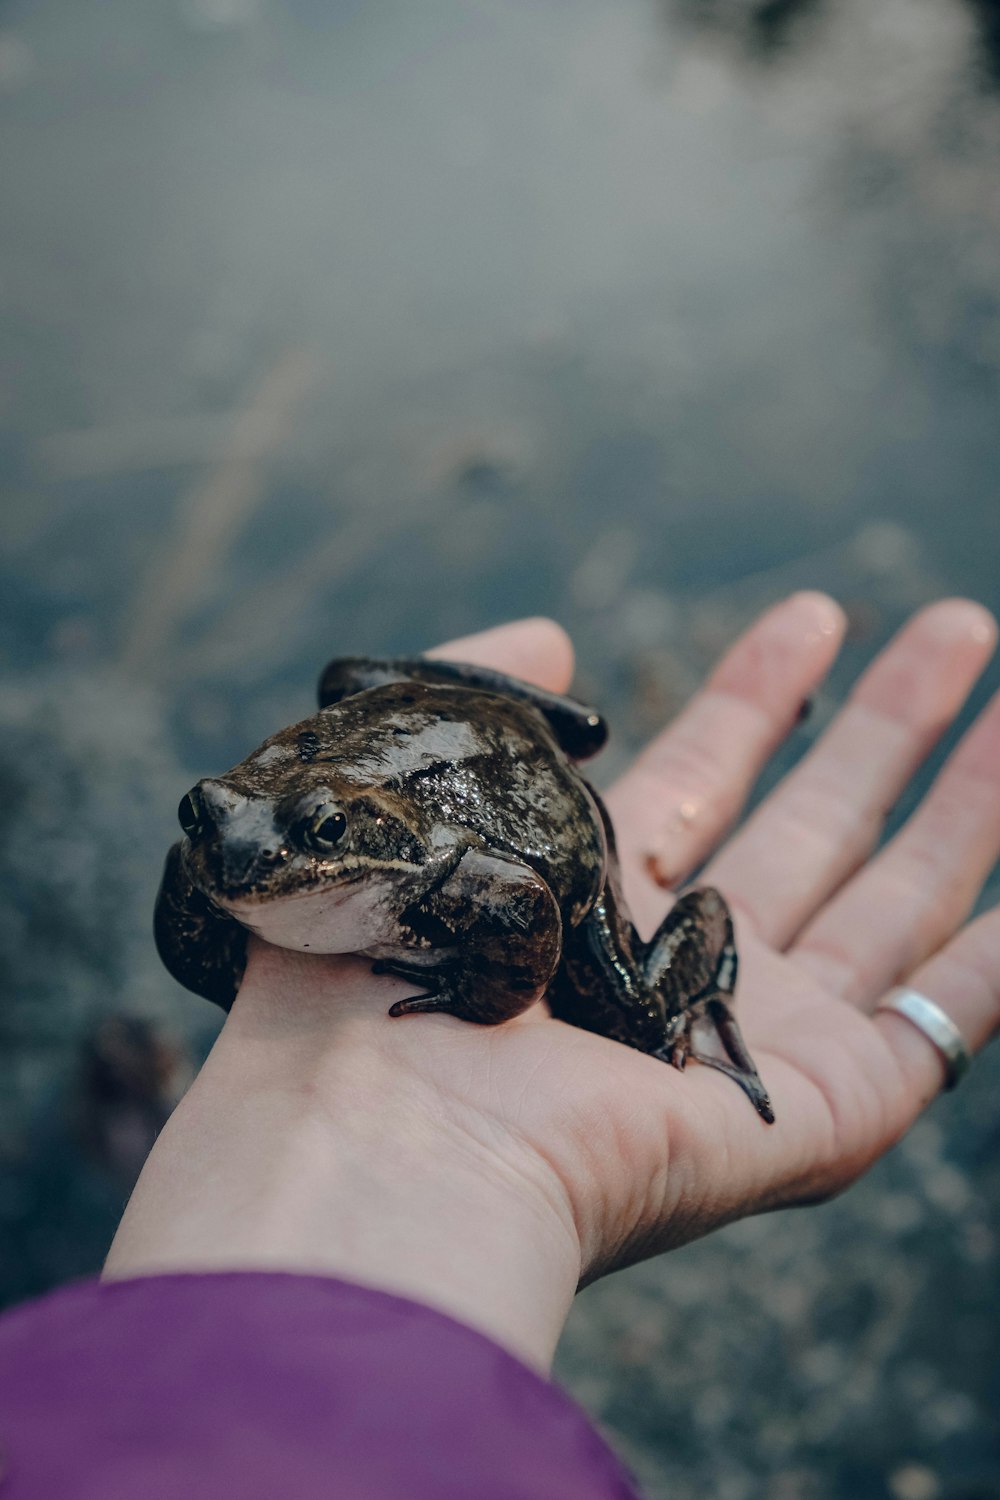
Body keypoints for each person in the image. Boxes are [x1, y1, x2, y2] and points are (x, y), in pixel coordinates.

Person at [1, 594, 997, 1499]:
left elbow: (522, 906)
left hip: (536, 818)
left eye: (312, 836)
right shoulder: (233, 843)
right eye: (208, 818)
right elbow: (205, 891)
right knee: (295, 749)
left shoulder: (434, 870)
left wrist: (469, 990)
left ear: (357, 833)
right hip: (398, 740)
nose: (238, 860)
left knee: (641, 1025)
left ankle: (707, 949)